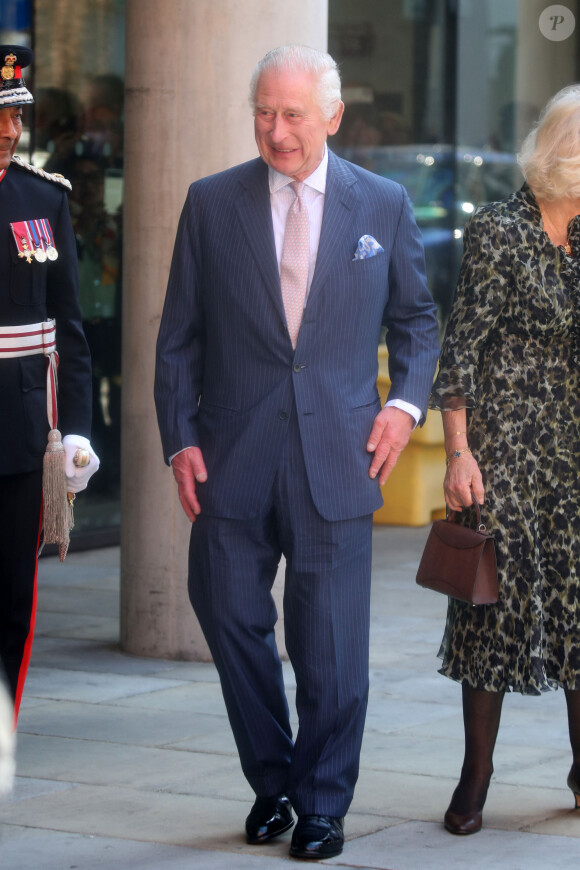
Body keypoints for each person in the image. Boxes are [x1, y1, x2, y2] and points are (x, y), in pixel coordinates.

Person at [155, 45, 439, 860]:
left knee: (333, 651)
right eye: (264, 114)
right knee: (229, 619)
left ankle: (320, 803)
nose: (276, 132)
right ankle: (273, 780)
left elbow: (416, 323)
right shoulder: (211, 204)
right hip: (231, 456)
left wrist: (402, 404)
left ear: (333, 117)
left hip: (338, 455)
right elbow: (178, 338)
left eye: (293, 116)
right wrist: (180, 438)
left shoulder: (381, 205)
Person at [430, 83, 580, 836]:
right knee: (492, 618)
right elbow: (460, 354)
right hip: (506, 455)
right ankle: (476, 775)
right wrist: (458, 455)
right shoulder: (499, 232)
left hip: (574, 455)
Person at [0, 46, 99, 727]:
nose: (10, 132)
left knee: (11, 596)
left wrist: (79, 430)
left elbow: (69, 327)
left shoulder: (42, 197)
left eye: (16, 116)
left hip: (21, 435)